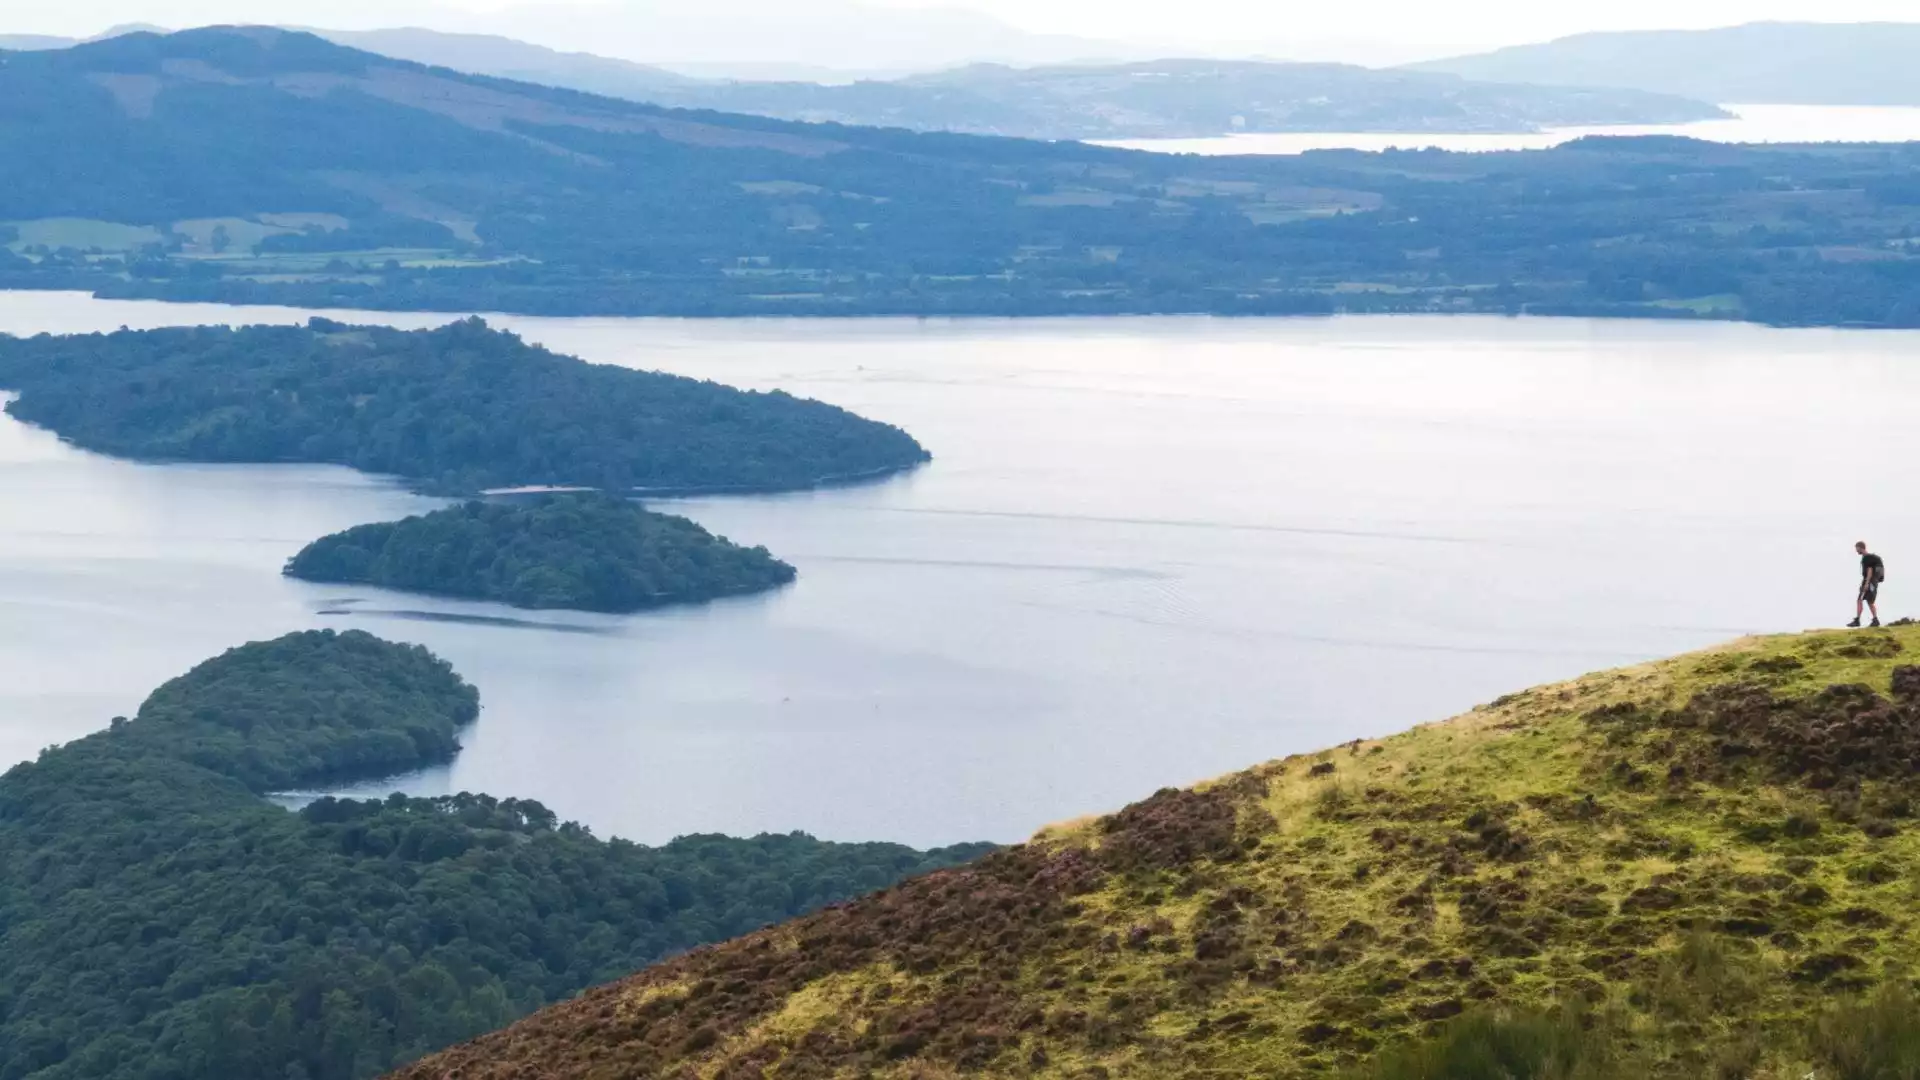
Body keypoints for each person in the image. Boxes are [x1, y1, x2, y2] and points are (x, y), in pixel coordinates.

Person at [1850, 541, 1885, 628]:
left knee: (1859, 600)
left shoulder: (1866, 558)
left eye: (1856, 548)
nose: (1856, 550)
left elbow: (1870, 570)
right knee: (1870, 601)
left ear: (1860, 547)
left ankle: (1857, 620)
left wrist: (1866, 583)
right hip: (1874, 582)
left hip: (1868, 581)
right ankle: (1875, 620)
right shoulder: (1872, 558)